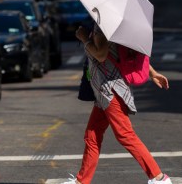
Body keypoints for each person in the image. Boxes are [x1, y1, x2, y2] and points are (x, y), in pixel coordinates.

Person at [62, 24, 172, 184]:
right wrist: (153, 73)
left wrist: (84, 38)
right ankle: (81, 181)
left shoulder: (103, 27)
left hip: (111, 91)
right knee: (92, 136)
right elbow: (128, 54)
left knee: (125, 135)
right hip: (102, 93)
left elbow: (100, 55)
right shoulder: (110, 26)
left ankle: (159, 177)